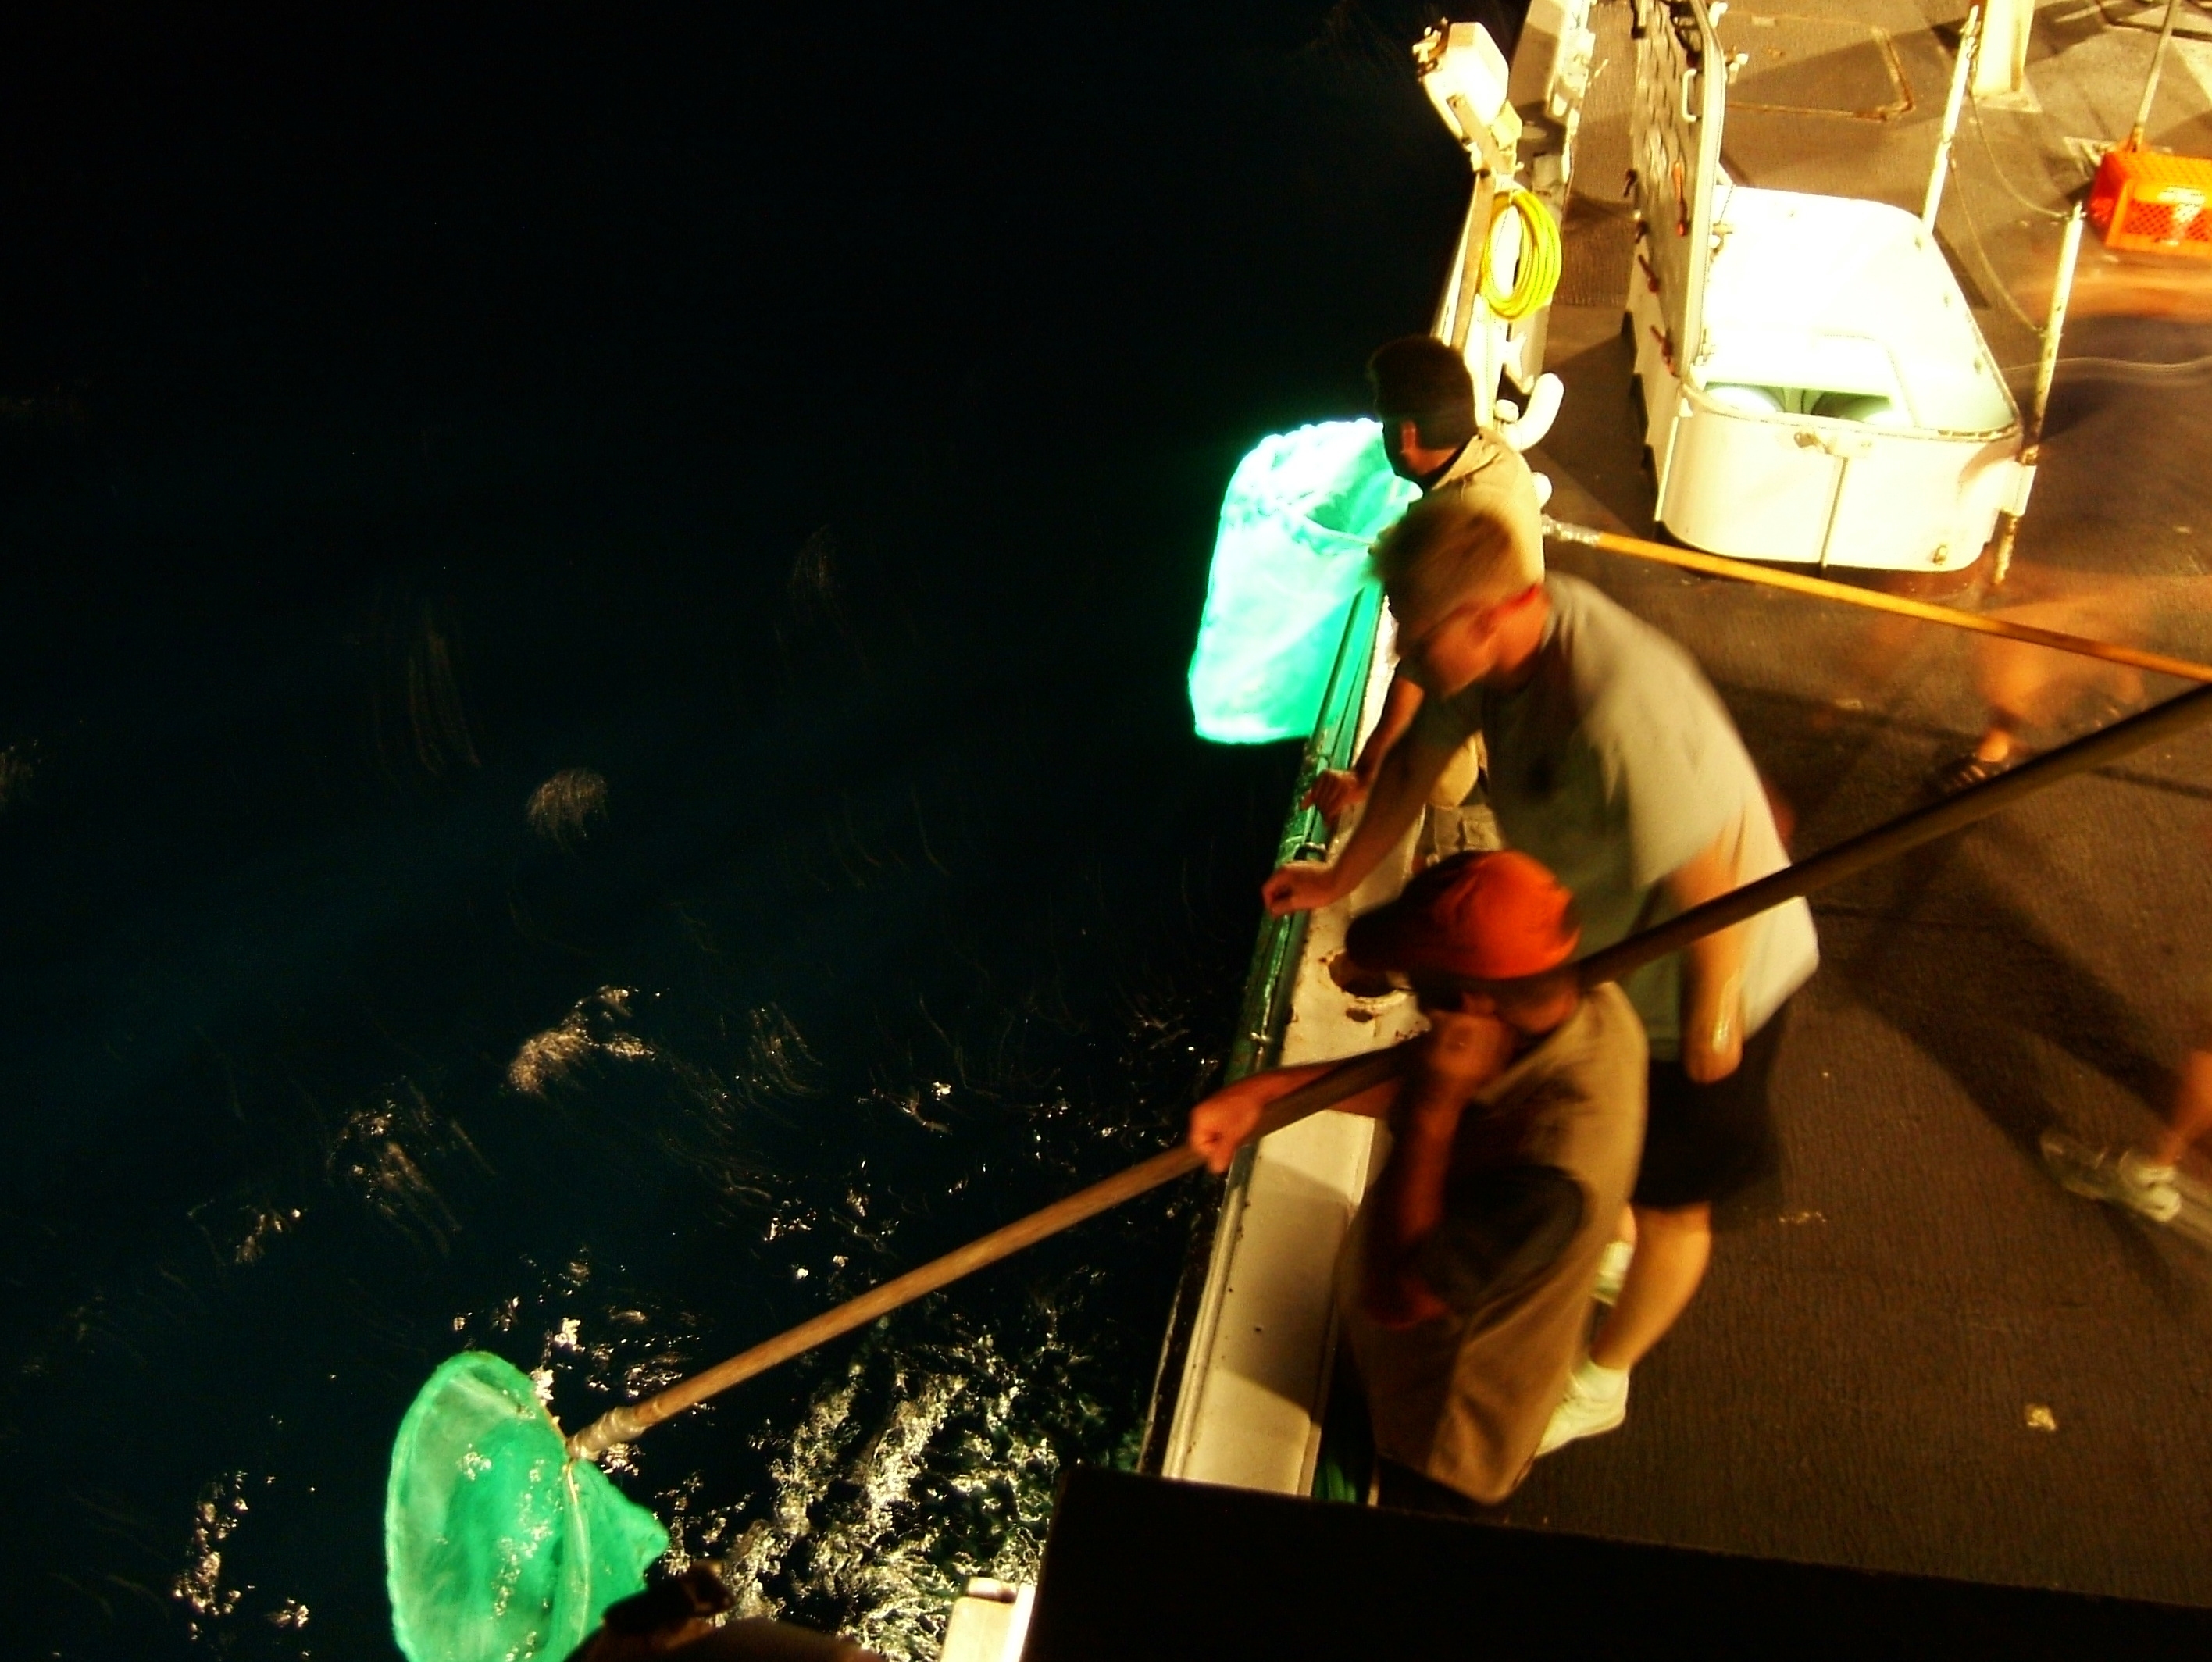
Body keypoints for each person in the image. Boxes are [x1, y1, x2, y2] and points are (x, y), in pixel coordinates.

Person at [1261, 487, 1819, 1455]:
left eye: (1418, 636)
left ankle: (1604, 1380)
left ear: (1485, 618)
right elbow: (1416, 763)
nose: (1407, 654)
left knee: (1674, 1205)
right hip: (1612, 963)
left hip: (1718, 974)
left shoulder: (1615, 700)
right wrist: (1338, 876)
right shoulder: (1491, 661)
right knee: (1614, 1160)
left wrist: (1714, 1026)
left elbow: (1715, 872)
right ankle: (1610, 1253)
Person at [1188, 850, 1643, 1503]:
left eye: (1418, 986)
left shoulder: (1554, 1174)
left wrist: (1435, 1109)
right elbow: (1433, 1070)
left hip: (1446, 1433)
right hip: (1428, 1345)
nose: (1417, 1003)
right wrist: (1266, 1095)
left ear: (1471, 1005)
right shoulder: (1591, 1005)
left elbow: (1398, 1297)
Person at [1305, 335, 1536, 828]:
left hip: (1484, 742)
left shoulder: (1462, 516)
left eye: (1386, 425)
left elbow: (1417, 666)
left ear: (1407, 435)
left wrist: (1364, 773)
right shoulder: (1496, 456)